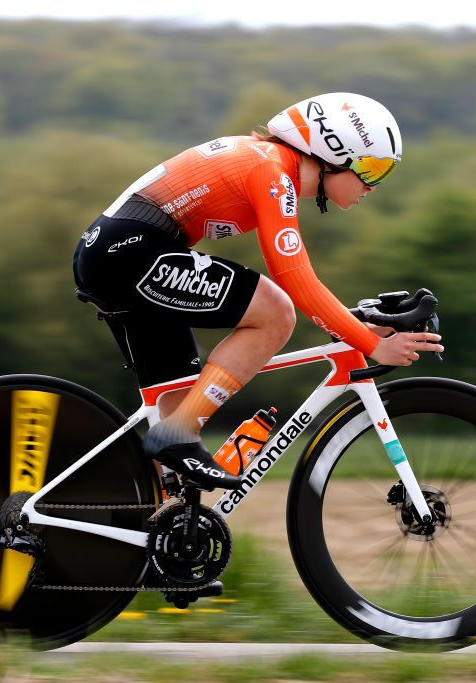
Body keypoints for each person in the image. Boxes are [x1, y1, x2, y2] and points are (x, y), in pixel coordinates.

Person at [73, 92, 444, 489]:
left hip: (119, 255)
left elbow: (302, 280)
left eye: (384, 173)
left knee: (178, 417)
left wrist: (354, 325)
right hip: (130, 254)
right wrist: (371, 346)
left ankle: (157, 531)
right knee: (274, 312)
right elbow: (295, 278)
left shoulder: (266, 161)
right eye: (371, 168)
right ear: (332, 150)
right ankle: (177, 435)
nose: (373, 185)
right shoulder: (271, 171)